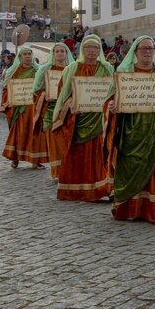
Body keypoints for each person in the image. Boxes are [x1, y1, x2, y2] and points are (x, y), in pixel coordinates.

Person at [104, 36, 155, 225]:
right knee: (129, 167)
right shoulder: (124, 73)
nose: (147, 51)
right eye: (144, 48)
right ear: (135, 51)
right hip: (131, 131)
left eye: (151, 48)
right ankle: (129, 208)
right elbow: (111, 99)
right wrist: (112, 106)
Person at [52, 34, 115, 201]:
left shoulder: (107, 69)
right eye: (88, 47)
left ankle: (101, 189)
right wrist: (70, 105)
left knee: (100, 153)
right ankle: (77, 189)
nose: (92, 50)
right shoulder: (72, 69)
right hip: (78, 119)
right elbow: (63, 93)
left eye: (95, 47)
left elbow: (113, 91)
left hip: (99, 118)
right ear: (82, 49)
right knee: (79, 154)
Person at [1, 45, 48, 169]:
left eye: (29, 54)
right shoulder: (13, 71)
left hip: (34, 109)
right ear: (20, 57)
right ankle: (15, 158)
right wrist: (8, 101)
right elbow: (6, 89)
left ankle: (35, 160)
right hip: (19, 111)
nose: (27, 56)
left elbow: (43, 87)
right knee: (18, 134)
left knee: (35, 134)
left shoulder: (39, 71)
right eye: (25, 54)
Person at [33, 42, 75, 179]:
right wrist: (44, 95)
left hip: (68, 110)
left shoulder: (72, 69)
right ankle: (57, 171)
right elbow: (37, 90)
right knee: (54, 141)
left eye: (62, 51)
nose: (60, 53)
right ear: (53, 54)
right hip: (51, 109)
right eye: (57, 51)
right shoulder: (46, 70)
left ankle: (68, 170)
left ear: (66, 53)